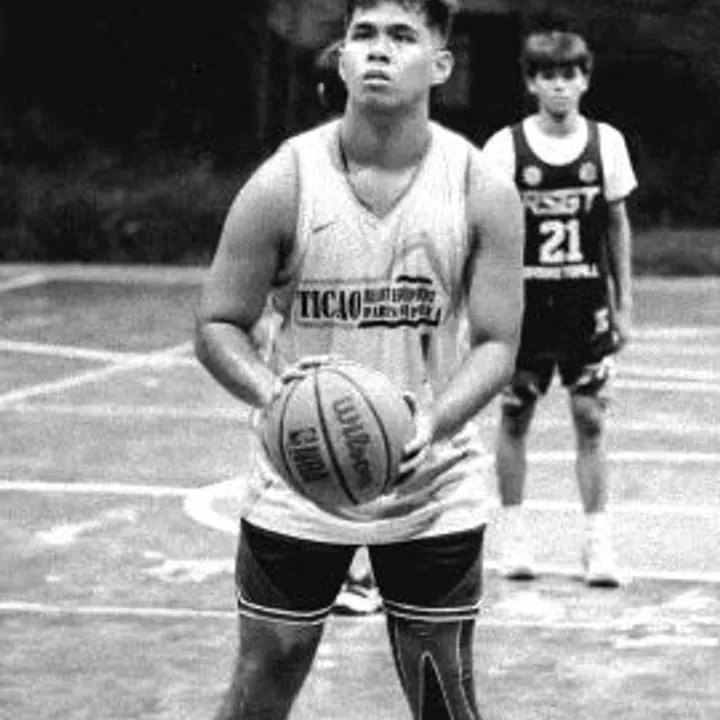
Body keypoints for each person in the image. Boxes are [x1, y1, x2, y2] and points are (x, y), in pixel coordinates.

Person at [195, 1, 524, 718]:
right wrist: (275, 396)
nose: (379, 50)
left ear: (441, 64)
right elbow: (218, 322)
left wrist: (434, 422)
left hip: (431, 481)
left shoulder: (481, 187)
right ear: (341, 59)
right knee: (264, 679)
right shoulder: (285, 181)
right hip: (301, 472)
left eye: (402, 36)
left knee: (443, 693)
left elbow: (498, 343)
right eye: (363, 34)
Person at [482, 28, 637, 587]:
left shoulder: (606, 143)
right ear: (531, 83)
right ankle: (514, 536)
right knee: (515, 415)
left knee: (591, 418)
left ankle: (598, 544)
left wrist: (625, 303)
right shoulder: (505, 148)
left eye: (569, 75)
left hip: (585, 304)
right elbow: (486, 230)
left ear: (585, 80)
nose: (559, 86)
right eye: (548, 76)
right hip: (526, 308)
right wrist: (488, 302)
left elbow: (616, 225)